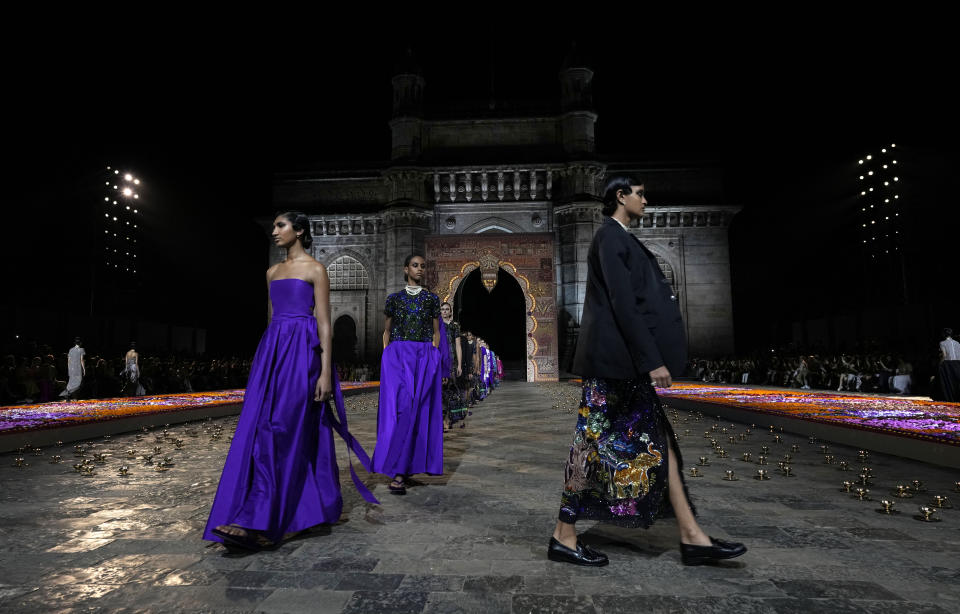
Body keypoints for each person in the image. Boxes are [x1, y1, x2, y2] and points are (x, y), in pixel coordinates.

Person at [549, 175, 746, 567]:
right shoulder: (609, 237)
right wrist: (651, 358)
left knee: (662, 443)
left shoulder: (622, 238)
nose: (645, 199)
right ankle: (564, 535)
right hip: (613, 364)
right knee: (587, 446)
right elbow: (624, 303)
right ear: (620, 197)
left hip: (624, 366)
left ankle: (692, 536)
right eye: (639, 193)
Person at [204, 211, 376, 553]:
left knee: (283, 429)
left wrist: (326, 371)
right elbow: (273, 320)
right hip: (273, 354)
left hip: (303, 355)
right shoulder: (271, 272)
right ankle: (287, 512)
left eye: (280, 226)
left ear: (299, 230)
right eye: (273, 226)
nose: (274, 231)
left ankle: (257, 520)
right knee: (264, 429)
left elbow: (324, 323)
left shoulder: (316, 270)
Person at [372, 253, 444, 495]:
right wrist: (386, 355)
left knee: (417, 410)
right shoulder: (394, 299)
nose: (420, 269)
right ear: (405, 270)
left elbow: (436, 333)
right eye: (415, 265)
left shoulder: (431, 300)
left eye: (423, 266)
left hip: (423, 358)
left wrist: (434, 357)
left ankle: (403, 468)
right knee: (403, 409)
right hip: (398, 358)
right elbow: (386, 331)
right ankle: (399, 471)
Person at [440, 302, 467, 430]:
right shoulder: (437, 326)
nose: (445, 311)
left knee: (451, 390)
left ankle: (448, 418)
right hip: (440, 361)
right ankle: (442, 418)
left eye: (447, 309)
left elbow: (458, 346)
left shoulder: (454, 327)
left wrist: (460, 365)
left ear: (450, 312)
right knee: (441, 390)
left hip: (452, 361)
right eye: (442, 309)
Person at [938, 328, 960, 401]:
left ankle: (950, 398)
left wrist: (940, 363)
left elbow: (944, 355)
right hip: (958, 363)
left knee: (949, 382)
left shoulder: (942, 343)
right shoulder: (957, 343)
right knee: (957, 381)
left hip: (948, 364)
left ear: (944, 334)